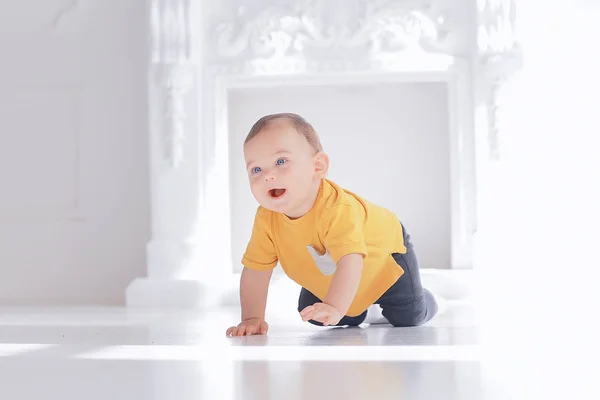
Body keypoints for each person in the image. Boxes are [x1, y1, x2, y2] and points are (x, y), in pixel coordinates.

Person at [226, 113, 439, 337]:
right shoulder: (266, 218)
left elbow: (351, 259)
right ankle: (363, 311)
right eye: (256, 170)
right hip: (332, 271)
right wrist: (252, 318)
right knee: (314, 314)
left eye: (281, 161)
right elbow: (256, 270)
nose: (268, 175)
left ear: (317, 167)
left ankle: (429, 301)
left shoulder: (337, 209)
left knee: (407, 316)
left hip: (385, 257)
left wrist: (335, 307)